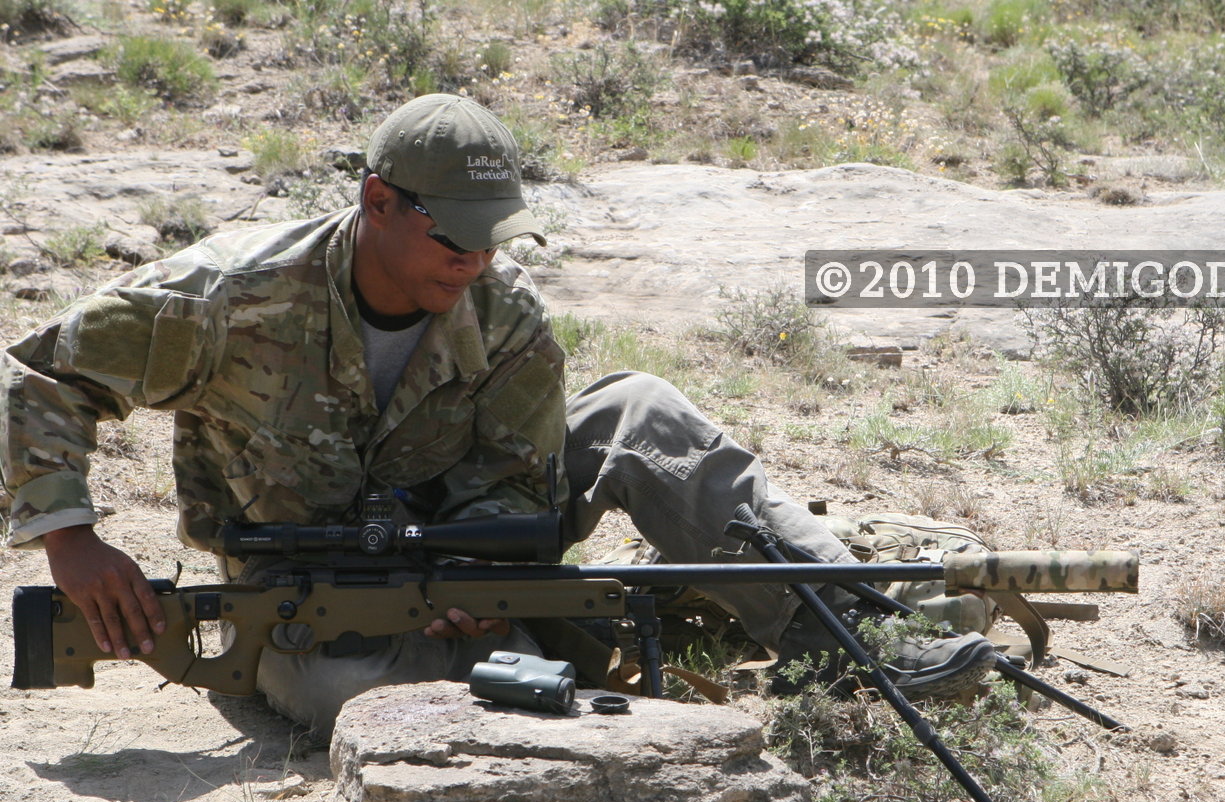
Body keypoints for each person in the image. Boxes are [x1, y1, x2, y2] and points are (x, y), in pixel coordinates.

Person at [0, 94, 994, 738]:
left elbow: (521, 473)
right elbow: (36, 373)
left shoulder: (505, 308)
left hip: (467, 543)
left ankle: (847, 634)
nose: (475, 263)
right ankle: (582, 640)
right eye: (455, 240)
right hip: (307, 583)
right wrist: (71, 541)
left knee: (640, 409)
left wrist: (480, 567)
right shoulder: (225, 294)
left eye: (490, 241)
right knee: (344, 699)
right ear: (377, 200)